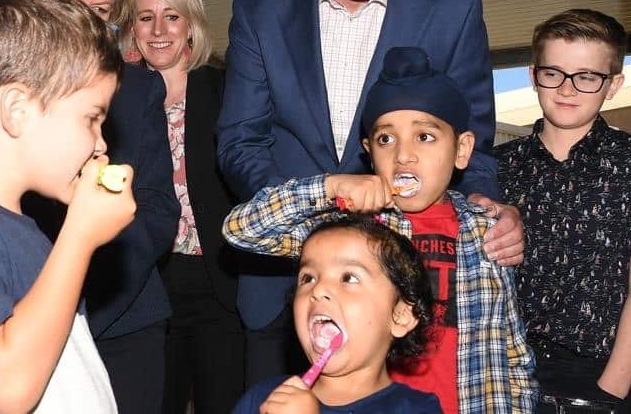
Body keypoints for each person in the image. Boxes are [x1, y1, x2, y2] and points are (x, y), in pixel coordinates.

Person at [217, 0, 524, 384]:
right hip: (284, 278)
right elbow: (241, 142)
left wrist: (486, 208)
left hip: (404, 284)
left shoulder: (453, 8)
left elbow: (472, 142)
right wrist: (318, 220)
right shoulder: (259, 5)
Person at [224, 46, 537, 413]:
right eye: (386, 139)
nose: (404, 155)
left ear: (462, 149)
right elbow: (242, 229)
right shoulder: (352, 228)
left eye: (425, 136)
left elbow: (513, 353)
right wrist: (330, 187)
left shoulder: (486, 233)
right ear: (369, 152)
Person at [0, 0, 135, 412]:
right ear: (17, 111)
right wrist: (80, 235)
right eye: (92, 118)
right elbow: (9, 387)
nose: (100, 144)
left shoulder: (26, 227)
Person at [23, 0, 180, 414]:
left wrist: (92, 303)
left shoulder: (136, 89)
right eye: (67, 2)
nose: (82, 25)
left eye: (100, 13)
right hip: (18, 318)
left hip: (123, 321)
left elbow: (157, 209)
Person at [495, 9, 631, 413]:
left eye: (587, 76)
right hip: (501, 373)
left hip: (596, 376)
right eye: (554, 72)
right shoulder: (495, 166)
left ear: (613, 85)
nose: (567, 89)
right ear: (533, 74)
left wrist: (612, 387)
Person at [127, 0, 244, 413]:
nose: (158, 30)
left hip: (219, 283)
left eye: (171, 16)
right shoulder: (114, 96)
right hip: (145, 285)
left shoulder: (225, 91)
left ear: (191, 25)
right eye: (145, 17)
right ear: (132, 29)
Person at [232, 216, 443, 413]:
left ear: (400, 315)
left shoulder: (418, 408)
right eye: (308, 278)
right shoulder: (263, 399)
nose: (318, 289)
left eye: (348, 278)